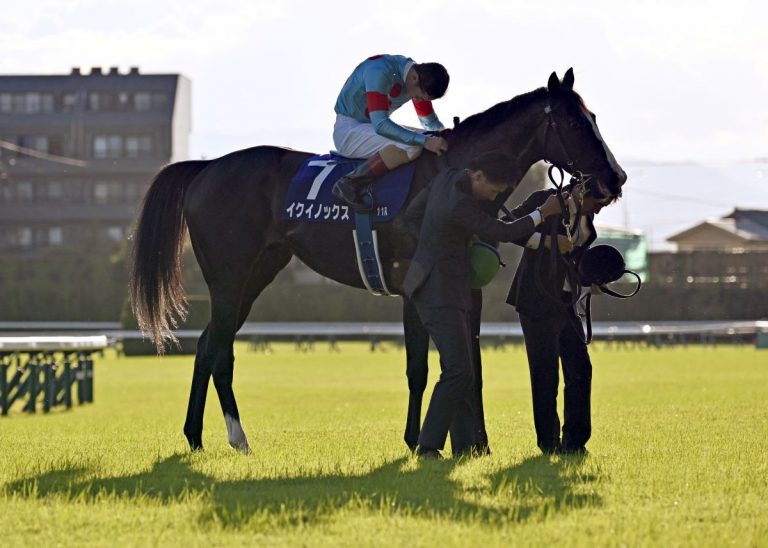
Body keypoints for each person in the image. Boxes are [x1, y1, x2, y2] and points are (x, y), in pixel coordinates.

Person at [402, 151, 566, 459]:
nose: (492, 196)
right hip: (439, 294)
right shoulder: (460, 203)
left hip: (439, 287)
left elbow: (411, 216)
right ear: (477, 176)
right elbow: (502, 231)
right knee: (459, 370)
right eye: (492, 190)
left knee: (461, 370)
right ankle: (427, 447)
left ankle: (464, 448)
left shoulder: (445, 179)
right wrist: (541, 213)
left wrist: (433, 243)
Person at [505, 181, 620, 455]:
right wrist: (545, 241)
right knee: (545, 375)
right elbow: (507, 227)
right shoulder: (544, 199)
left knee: (581, 369)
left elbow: (573, 261)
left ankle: (575, 443)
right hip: (536, 300)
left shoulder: (586, 217)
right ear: (584, 190)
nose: (598, 212)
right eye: (598, 204)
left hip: (566, 303)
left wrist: (591, 280)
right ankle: (549, 444)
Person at [332, 54, 450, 211]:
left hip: (368, 129)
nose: (419, 100)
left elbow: (430, 124)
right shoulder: (380, 71)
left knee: (427, 137)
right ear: (414, 78)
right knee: (413, 145)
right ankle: (349, 182)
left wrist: (446, 136)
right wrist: (425, 141)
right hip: (349, 131)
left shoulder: (414, 76)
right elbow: (380, 124)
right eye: (419, 97)